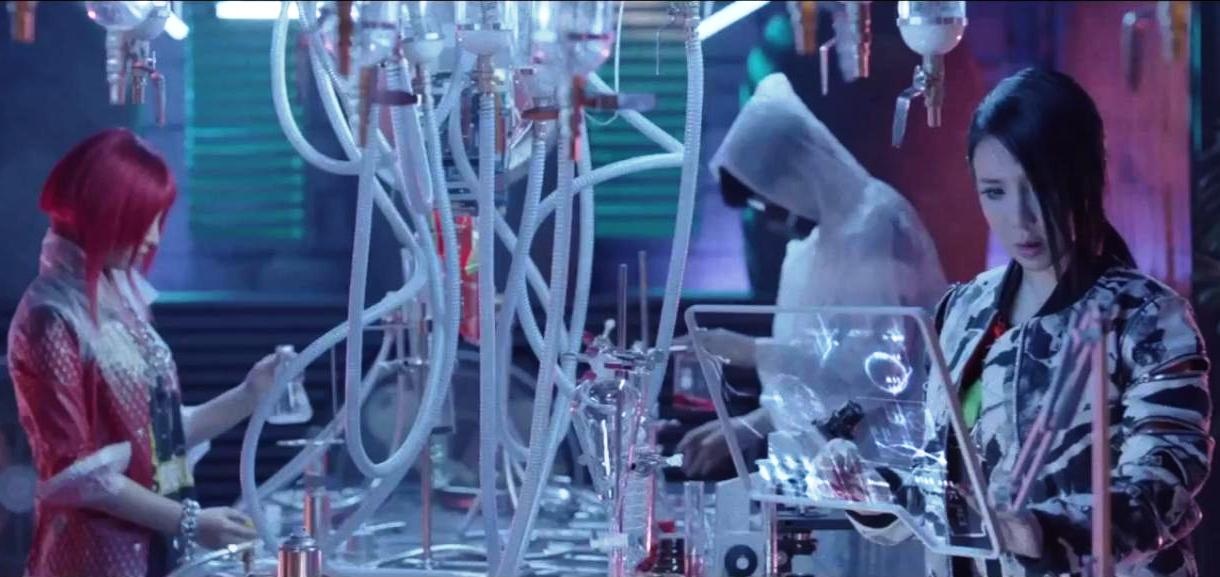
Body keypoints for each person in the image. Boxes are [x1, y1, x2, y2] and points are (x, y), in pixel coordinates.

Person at [834, 67, 1212, 577]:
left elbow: (1163, 481)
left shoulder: (1146, 318)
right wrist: (872, 491)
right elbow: (941, 475)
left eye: (1040, 188)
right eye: (995, 192)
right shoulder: (964, 310)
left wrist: (1046, 531)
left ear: (1085, 179)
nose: (1020, 218)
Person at [6, 128, 289, 577]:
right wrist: (191, 522)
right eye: (142, 220)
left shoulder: (118, 298)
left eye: (158, 220)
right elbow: (77, 474)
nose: (155, 237)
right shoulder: (50, 317)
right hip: (92, 560)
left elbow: (159, 438)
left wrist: (249, 394)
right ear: (102, 214)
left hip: (153, 550)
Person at [676, 72, 948, 478]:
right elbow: (826, 383)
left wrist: (753, 351)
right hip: (830, 475)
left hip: (892, 470)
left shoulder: (876, 222)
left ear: (800, 170)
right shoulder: (812, 250)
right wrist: (747, 427)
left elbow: (877, 370)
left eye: (766, 198)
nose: (770, 214)